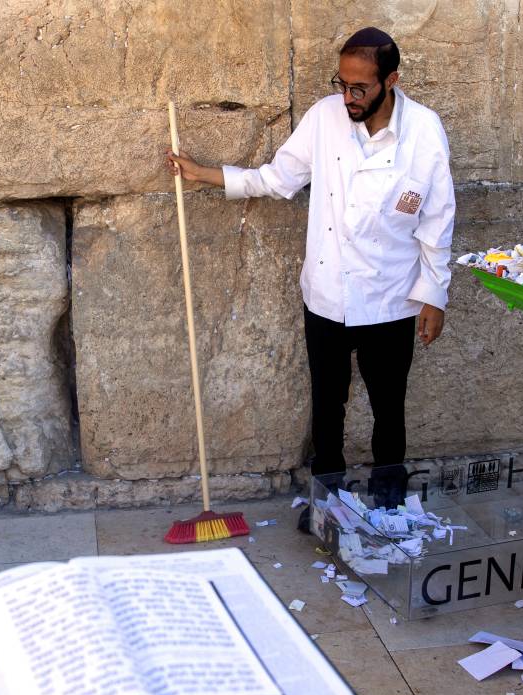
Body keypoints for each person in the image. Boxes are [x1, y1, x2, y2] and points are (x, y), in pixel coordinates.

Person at [168, 27, 455, 515]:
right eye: (342, 83)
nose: (348, 96)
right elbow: (279, 179)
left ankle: (388, 502)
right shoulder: (326, 117)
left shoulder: (425, 130)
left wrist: (435, 295)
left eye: (360, 87)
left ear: (392, 80)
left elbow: (437, 219)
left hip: (391, 293)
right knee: (328, 404)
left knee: (389, 408)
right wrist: (207, 174)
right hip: (326, 290)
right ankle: (329, 501)